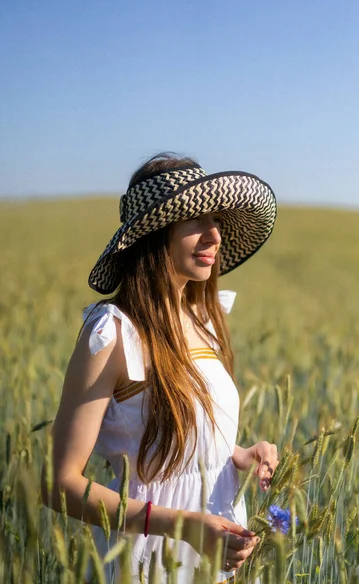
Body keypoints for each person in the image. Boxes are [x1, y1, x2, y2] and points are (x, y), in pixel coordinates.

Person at [41, 153, 279, 583]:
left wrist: (240, 455)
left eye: (216, 220)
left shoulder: (203, 319)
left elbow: (182, 444)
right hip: (151, 557)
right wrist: (181, 526)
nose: (214, 235)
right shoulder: (113, 333)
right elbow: (60, 484)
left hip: (219, 546)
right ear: (155, 234)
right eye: (195, 221)